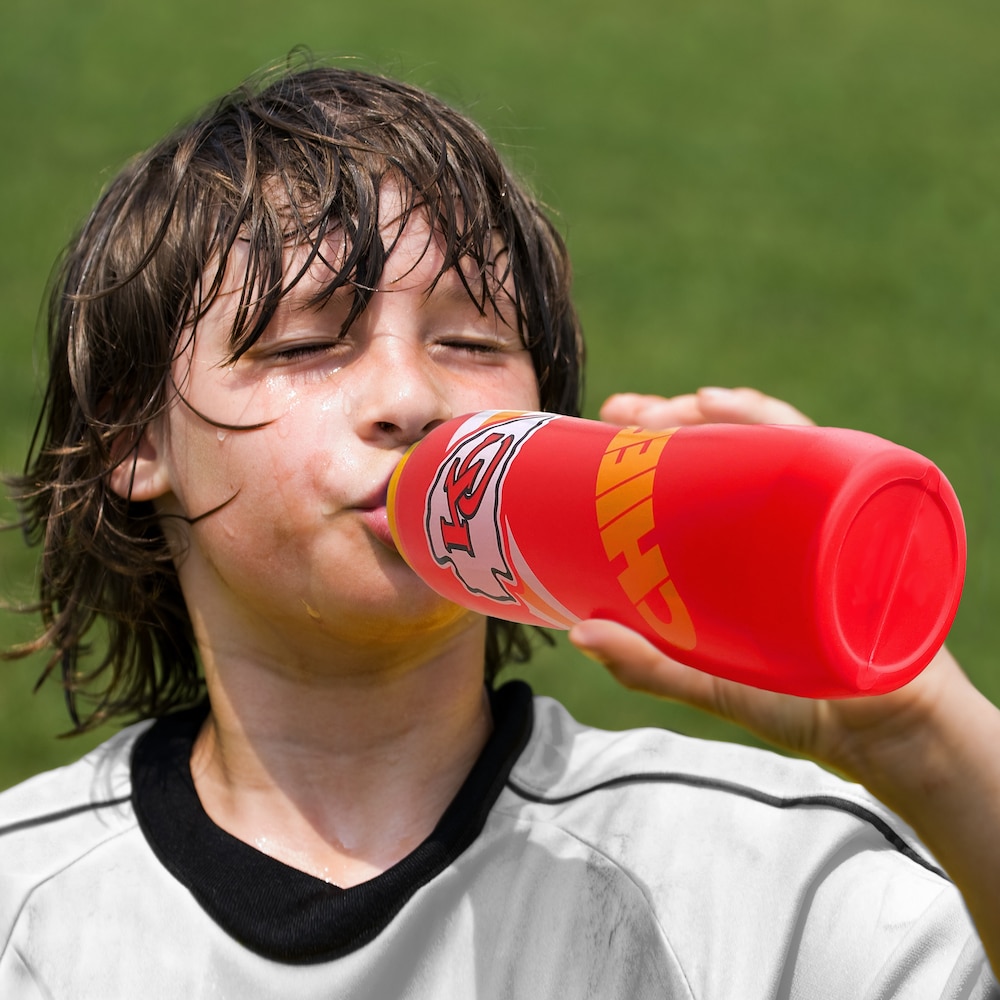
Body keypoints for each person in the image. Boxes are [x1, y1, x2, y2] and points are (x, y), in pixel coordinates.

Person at [0, 59, 997, 999]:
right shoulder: (25, 908)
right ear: (137, 439)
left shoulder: (770, 872)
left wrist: (928, 742)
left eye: (472, 341)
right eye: (305, 342)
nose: (409, 394)